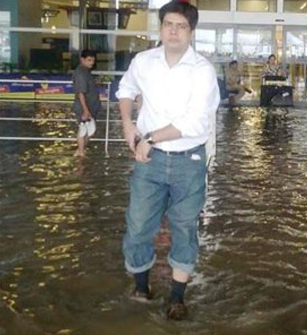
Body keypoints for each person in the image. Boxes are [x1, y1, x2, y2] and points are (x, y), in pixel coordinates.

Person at [116, 1, 220, 321]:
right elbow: (125, 89)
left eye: (181, 26)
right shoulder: (143, 61)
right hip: (150, 161)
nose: (174, 31)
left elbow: (195, 123)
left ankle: (177, 297)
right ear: (160, 27)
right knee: (137, 226)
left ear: (191, 32)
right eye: (168, 24)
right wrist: (128, 124)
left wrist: (148, 138)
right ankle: (142, 288)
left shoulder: (202, 70)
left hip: (188, 160)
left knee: (185, 227)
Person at [72, 49, 101, 157]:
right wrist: (85, 110)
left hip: (89, 106)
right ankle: (80, 151)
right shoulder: (81, 73)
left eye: (92, 61)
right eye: (89, 60)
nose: (91, 63)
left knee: (88, 129)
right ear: (82, 59)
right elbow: (80, 93)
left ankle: (80, 151)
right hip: (85, 107)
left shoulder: (85, 72)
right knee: (86, 129)